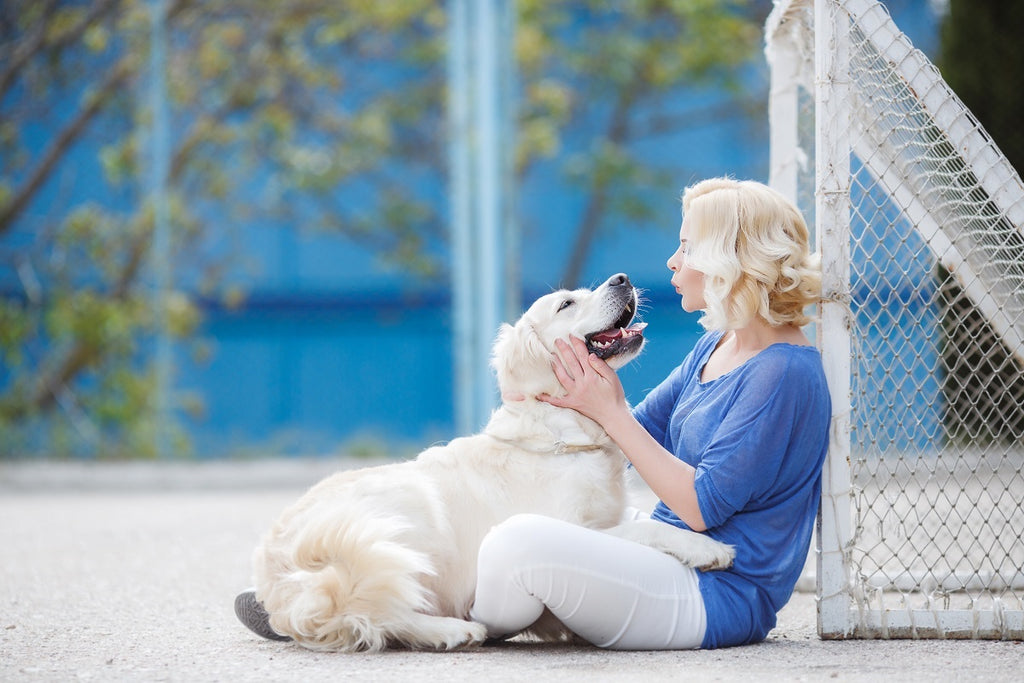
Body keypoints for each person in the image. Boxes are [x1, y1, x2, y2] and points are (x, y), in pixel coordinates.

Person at [468, 177, 832, 649]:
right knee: (532, 518)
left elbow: (701, 508)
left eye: (687, 246)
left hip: (715, 595)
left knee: (514, 543)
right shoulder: (717, 346)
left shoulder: (783, 372)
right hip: (670, 556)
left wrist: (612, 412)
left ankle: (467, 615)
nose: (673, 261)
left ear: (730, 259)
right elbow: (634, 434)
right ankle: (465, 597)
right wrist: (545, 401)